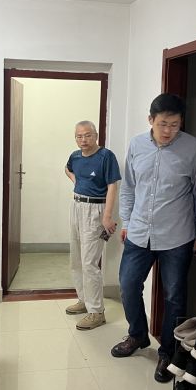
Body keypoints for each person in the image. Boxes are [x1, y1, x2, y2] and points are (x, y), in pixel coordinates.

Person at [110, 94, 196, 383]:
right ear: (151, 120)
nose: (168, 130)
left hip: (177, 236)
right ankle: (138, 335)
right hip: (139, 232)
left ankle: (168, 352)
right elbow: (129, 187)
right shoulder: (136, 145)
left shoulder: (193, 149)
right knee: (128, 286)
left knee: (174, 296)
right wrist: (128, 221)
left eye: (175, 125)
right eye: (163, 124)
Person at [64, 121, 121, 330]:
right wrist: (77, 182)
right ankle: (84, 299)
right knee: (76, 259)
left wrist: (107, 216)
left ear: (96, 136)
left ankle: (96, 312)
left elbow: (112, 186)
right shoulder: (75, 156)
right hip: (76, 206)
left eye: (88, 135)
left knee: (89, 263)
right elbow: (67, 169)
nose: (83, 140)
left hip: (96, 209)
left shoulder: (106, 156)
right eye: (79, 136)